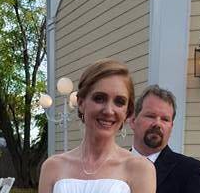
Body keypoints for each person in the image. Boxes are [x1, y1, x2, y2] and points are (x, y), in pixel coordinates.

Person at [38, 59, 156, 193]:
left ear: (127, 111)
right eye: (99, 98)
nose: (108, 110)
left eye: (119, 102)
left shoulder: (140, 169)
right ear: (81, 103)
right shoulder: (53, 166)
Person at [129, 85, 200, 193]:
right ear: (133, 121)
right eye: (151, 116)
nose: (157, 124)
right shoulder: (113, 165)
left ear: (171, 127)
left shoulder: (190, 171)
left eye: (165, 119)